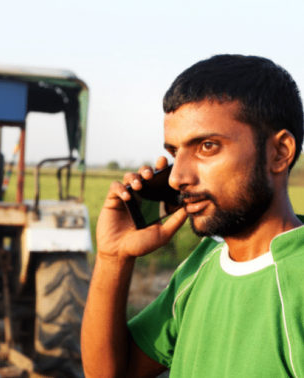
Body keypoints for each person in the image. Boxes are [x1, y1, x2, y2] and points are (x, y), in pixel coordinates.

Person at [81, 54, 304, 378]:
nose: (176, 177)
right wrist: (112, 257)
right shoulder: (202, 264)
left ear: (279, 152)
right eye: (174, 152)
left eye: (208, 146)